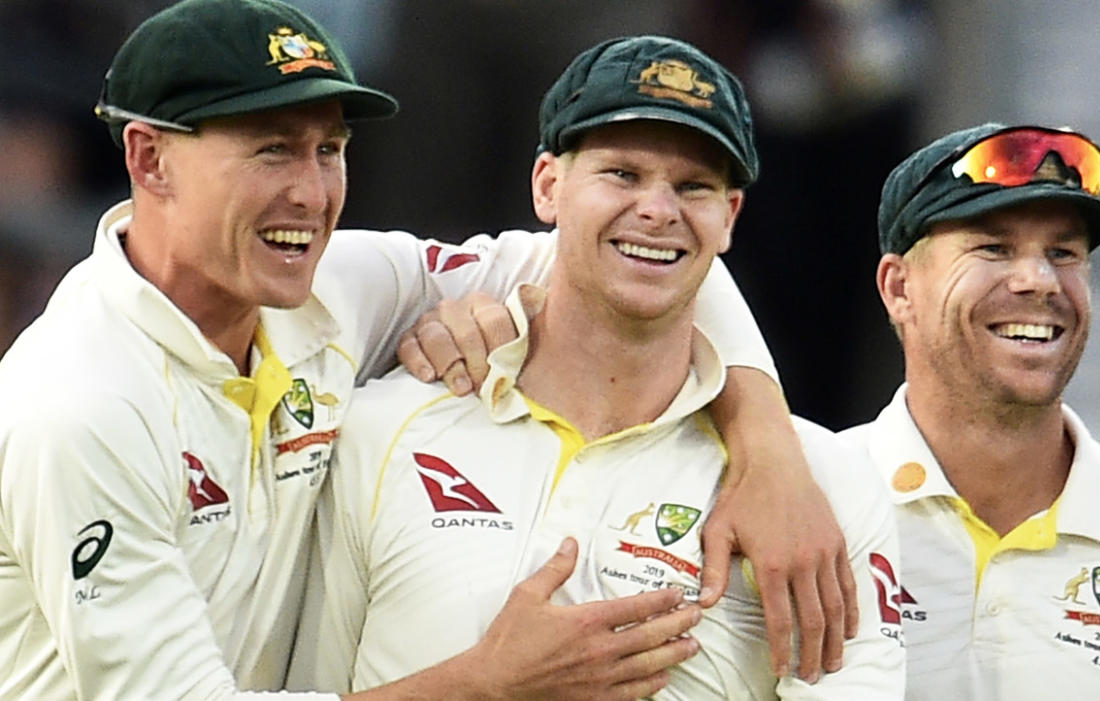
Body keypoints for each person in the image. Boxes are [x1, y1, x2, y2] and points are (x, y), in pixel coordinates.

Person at [0, 1, 855, 698]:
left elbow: (638, 258)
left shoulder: (330, 282)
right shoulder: (78, 404)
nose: (312, 192)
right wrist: (486, 681)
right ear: (149, 159)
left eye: (329, 148)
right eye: (270, 151)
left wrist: (769, 451)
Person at [287, 35, 903, 699]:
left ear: (729, 220)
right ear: (548, 186)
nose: (658, 210)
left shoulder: (823, 487)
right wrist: (488, 683)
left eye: (692, 186)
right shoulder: (384, 427)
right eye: (623, 174)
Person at [837, 122, 1100, 699]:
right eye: (994, 248)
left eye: (1063, 252)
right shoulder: (803, 505)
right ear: (900, 290)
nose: (1039, 280)